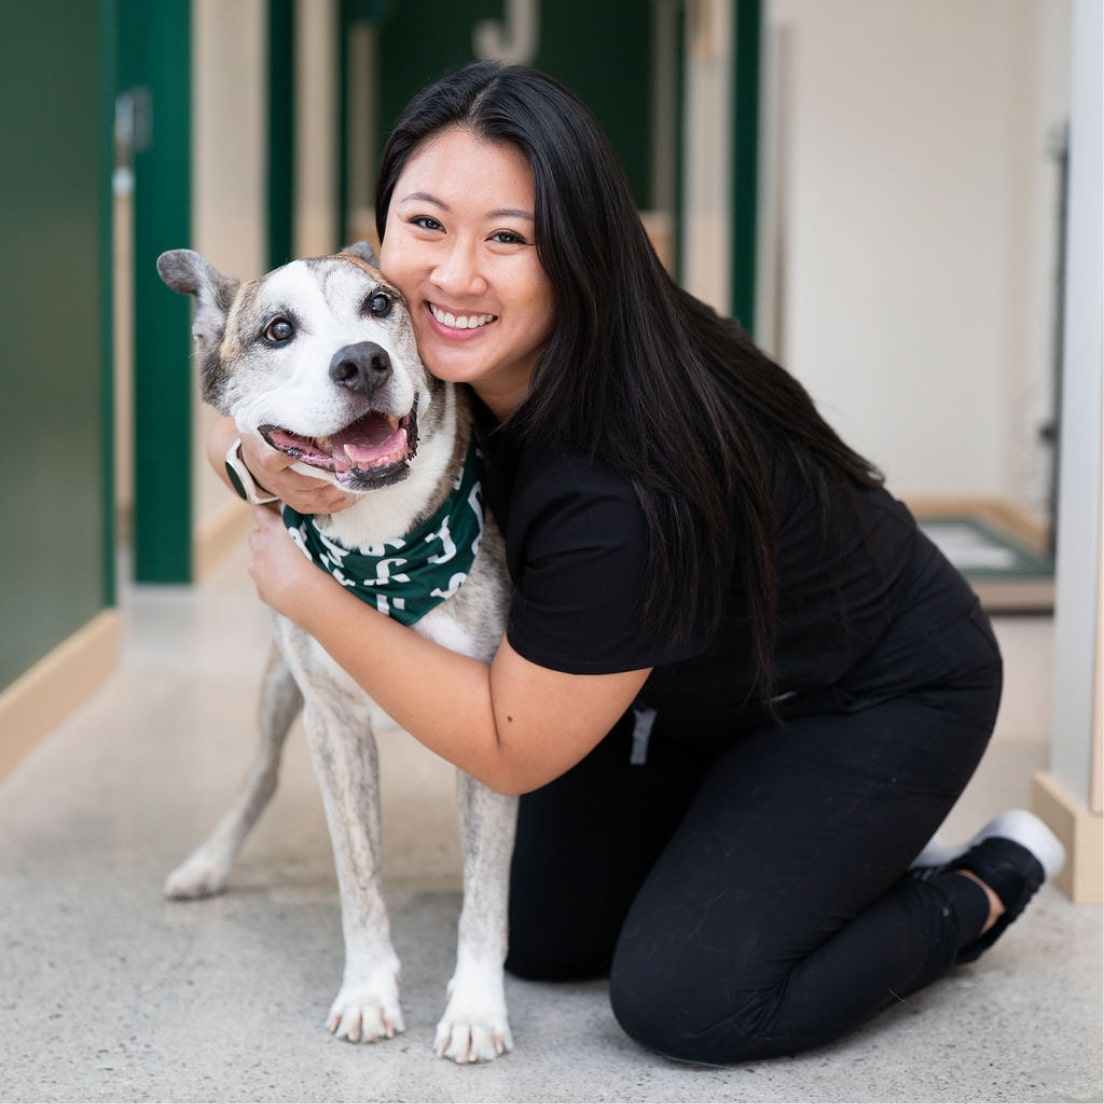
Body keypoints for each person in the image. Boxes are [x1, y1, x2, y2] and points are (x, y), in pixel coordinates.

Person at [206, 61, 1065, 1064]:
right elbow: (261, 387)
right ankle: (787, 848)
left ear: (576, 251)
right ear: (381, 229)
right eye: (427, 224)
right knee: (551, 938)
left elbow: (507, 748)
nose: (456, 275)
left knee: (689, 996)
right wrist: (255, 460)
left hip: (871, 688)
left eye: (510, 238)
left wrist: (302, 591)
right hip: (673, 681)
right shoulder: (433, 355)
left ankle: (976, 884)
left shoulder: (617, 478)